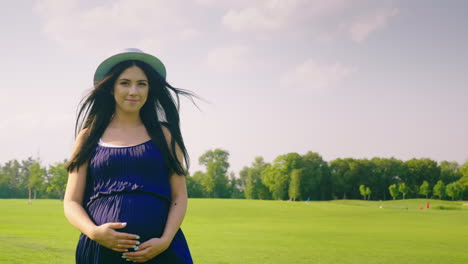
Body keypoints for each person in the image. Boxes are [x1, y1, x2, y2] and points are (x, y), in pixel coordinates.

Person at [64, 48, 199, 263]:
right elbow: (71, 201)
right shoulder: (88, 137)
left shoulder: (166, 136)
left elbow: (179, 196)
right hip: (101, 253)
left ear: (150, 89)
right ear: (111, 88)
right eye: (125, 83)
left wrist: (165, 240)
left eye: (141, 84)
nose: (134, 91)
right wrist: (94, 232)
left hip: (162, 253)